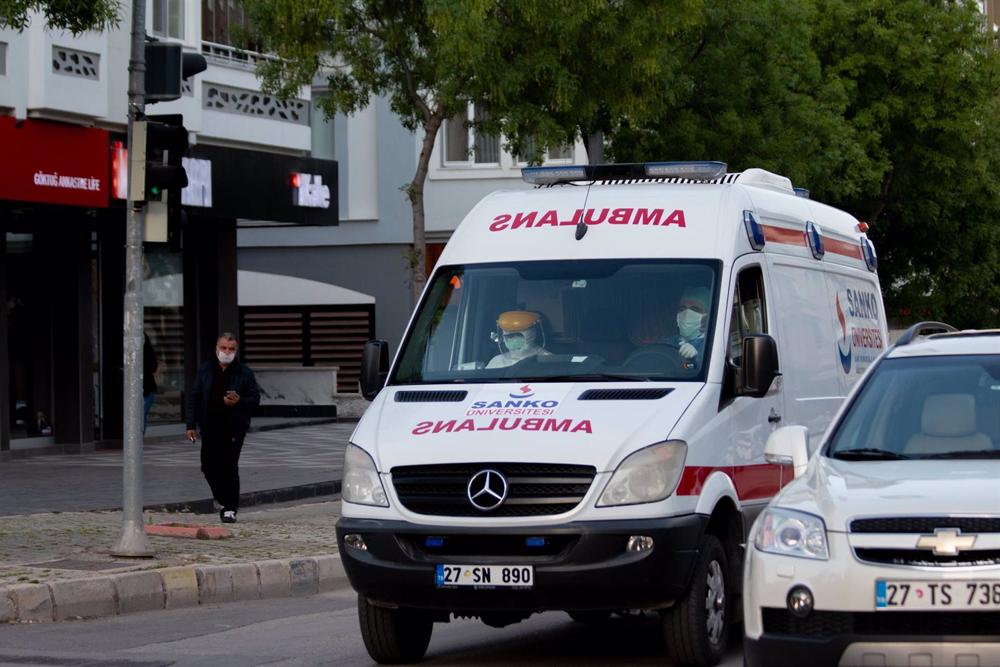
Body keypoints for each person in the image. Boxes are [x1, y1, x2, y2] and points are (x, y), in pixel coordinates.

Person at [185, 333, 260, 523]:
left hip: (234, 428)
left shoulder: (244, 373)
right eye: (224, 348)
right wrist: (191, 424)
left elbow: (255, 399)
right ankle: (222, 497)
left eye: (231, 349)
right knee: (208, 466)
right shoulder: (206, 370)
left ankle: (230, 507)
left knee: (228, 466)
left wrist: (239, 401)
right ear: (216, 349)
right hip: (209, 426)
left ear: (236, 351)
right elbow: (195, 396)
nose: (227, 352)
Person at [487, 310, 551, 368]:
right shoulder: (496, 362)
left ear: (534, 333)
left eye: (518, 336)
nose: (514, 342)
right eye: (510, 337)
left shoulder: (548, 360)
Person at [670, 286, 710, 370]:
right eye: (682, 309)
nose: (687, 314)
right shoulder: (667, 342)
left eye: (695, 309)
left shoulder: (711, 345)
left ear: (707, 316)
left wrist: (696, 359)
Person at [143, 332, 158, 435]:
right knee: (140, 416)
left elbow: (153, 366)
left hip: (147, 391)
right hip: (147, 390)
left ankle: (138, 442)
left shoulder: (147, 352)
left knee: (140, 416)